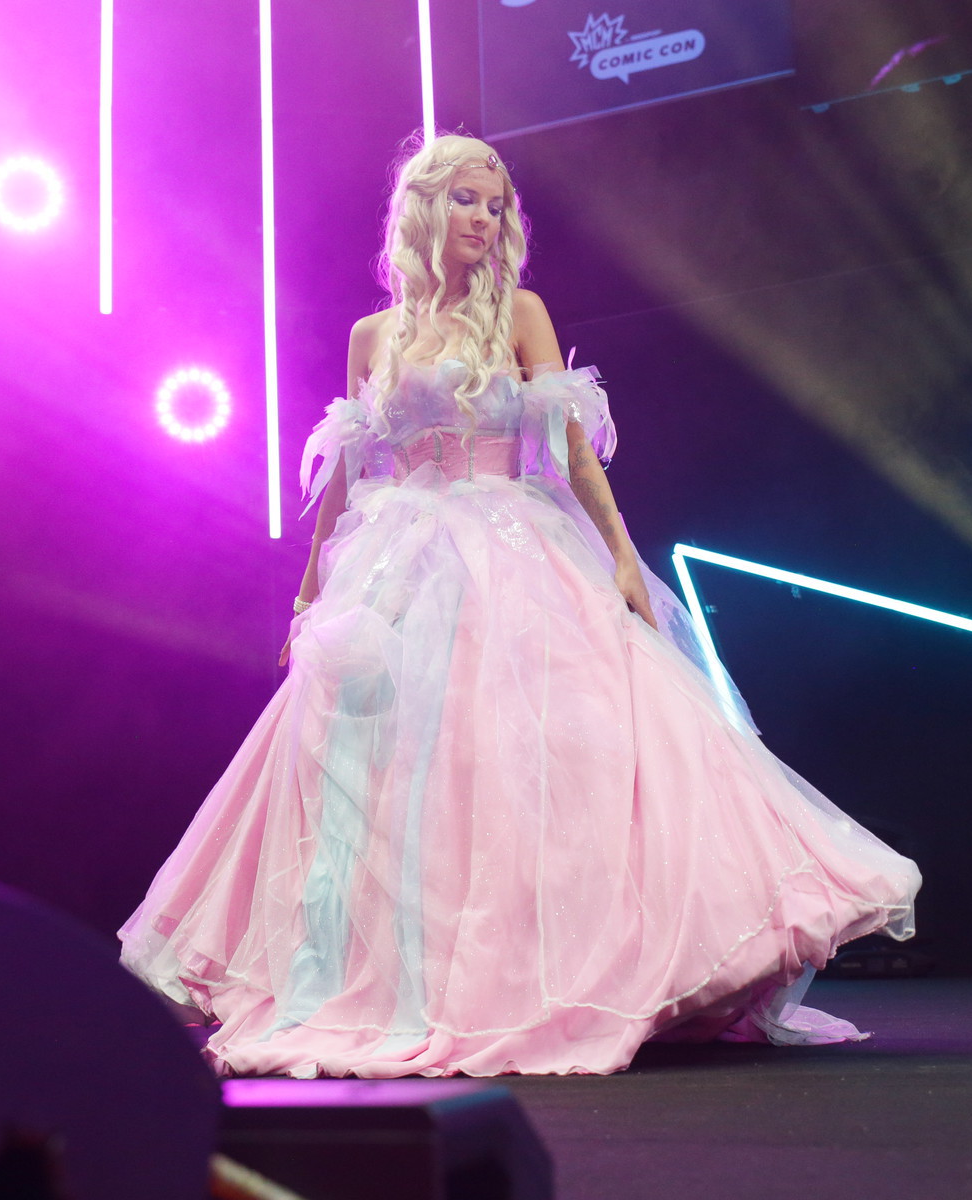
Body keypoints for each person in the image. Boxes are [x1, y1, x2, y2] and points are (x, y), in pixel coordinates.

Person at [119, 133, 919, 1078]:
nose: (484, 219)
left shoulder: (521, 315)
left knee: (551, 755)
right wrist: (308, 596)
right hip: (398, 568)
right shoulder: (373, 338)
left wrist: (622, 557)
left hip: (515, 550)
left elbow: (574, 453)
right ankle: (401, 982)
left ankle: (586, 970)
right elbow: (347, 472)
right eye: (466, 199)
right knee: (391, 778)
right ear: (424, 209)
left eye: (495, 205)